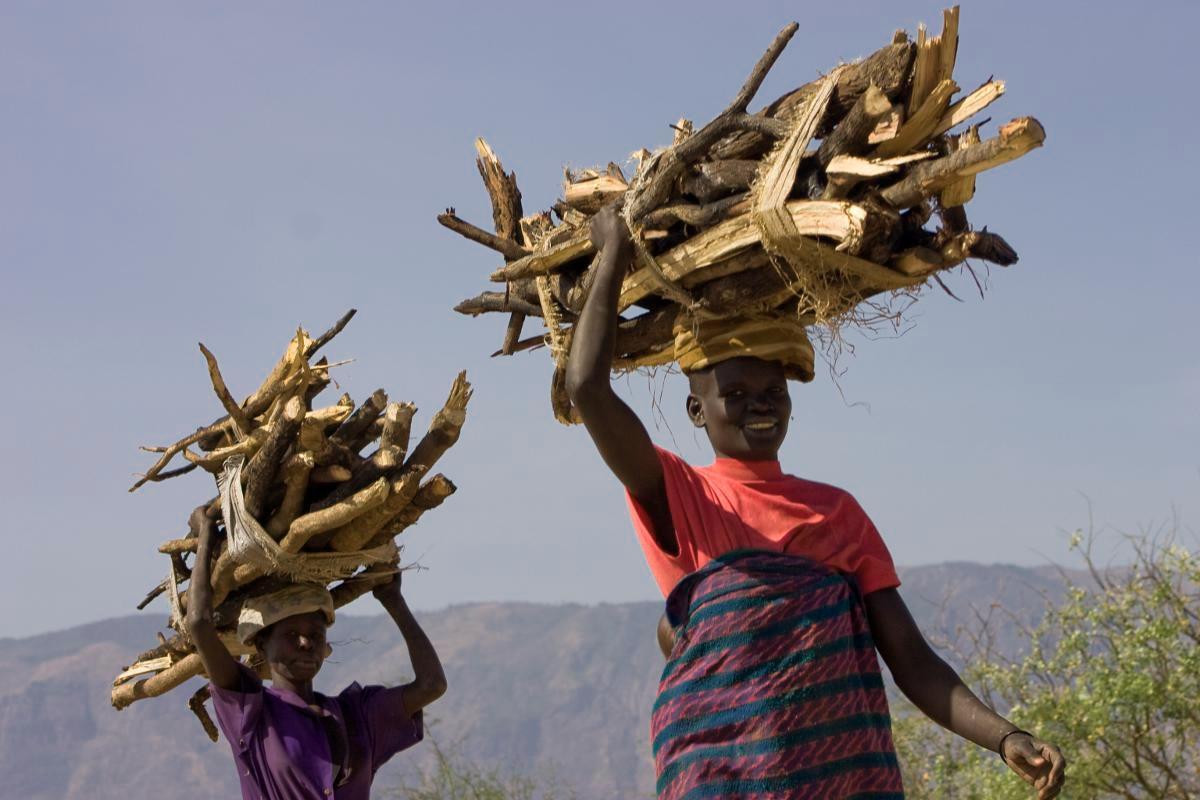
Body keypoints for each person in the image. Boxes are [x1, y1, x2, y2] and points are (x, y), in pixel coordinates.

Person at [564, 207, 1066, 800]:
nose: (760, 406)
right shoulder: (680, 492)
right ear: (696, 410)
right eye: (736, 394)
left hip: (839, 779)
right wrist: (613, 254)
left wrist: (1007, 737)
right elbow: (587, 390)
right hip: (719, 778)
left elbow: (908, 656)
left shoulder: (837, 514)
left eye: (774, 392)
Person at [184, 503, 447, 800]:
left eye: (315, 635)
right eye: (291, 635)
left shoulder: (357, 716)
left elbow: (432, 685)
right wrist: (207, 534)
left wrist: (393, 600)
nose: (306, 643)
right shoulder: (251, 713)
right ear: (261, 643)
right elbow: (199, 623)